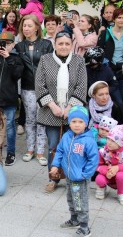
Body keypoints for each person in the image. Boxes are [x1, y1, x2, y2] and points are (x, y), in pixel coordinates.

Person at [36, 32, 87, 193]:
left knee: (74, 146)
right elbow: (40, 84)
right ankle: (54, 178)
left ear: (71, 45)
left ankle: (74, 177)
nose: (63, 46)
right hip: (52, 112)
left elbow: (81, 86)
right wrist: (52, 106)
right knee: (54, 147)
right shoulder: (45, 60)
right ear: (55, 44)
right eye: (60, 43)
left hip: (72, 113)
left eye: (67, 43)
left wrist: (69, 107)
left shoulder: (79, 61)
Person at [49, 106, 98, 237]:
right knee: (71, 199)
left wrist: (85, 175)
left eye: (80, 122)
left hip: (80, 178)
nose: (77, 125)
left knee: (80, 201)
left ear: (86, 123)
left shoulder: (88, 140)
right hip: (70, 176)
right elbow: (60, 151)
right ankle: (74, 219)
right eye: (74, 121)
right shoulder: (66, 136)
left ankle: (84, 227)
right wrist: (55, 165)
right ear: (69, 122)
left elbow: (93, 160)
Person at [16, 15, 54, 166]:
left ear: (37, 27)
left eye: (29, 26)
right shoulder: (19, 46)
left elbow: (51, 66)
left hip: (44, 88)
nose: (26, 29)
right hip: (27, 87)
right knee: (30, 120)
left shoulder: (46, 45)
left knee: (42, 120)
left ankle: (40, 151)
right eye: (24, 26)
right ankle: (30, 149)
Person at [0, 31, 24, 166]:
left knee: (10, 126)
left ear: (13, 44)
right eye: (2, 43)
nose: (5, 46)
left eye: (8, 43)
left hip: (9, 98)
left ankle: (11, 153)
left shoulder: (17, 58)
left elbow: (17, 74)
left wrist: (8, 58)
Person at [97, 8, 123, 109]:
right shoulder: (105, 33)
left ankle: (118, 122)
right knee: (116, 99)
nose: (122, 20)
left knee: (121, 98)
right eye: (119, 18)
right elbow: (99, 51)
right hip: (109, 69)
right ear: (114, 19)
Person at [95, 124, 123, 206]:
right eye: (108, 139)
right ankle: (102, 187)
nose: (109, 143)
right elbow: (98, 165)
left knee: (121, 176)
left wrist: (118, 167)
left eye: (113, 141)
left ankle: (121, 193)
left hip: (120, 175)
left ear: (121, 143)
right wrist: (106, 171)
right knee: (99, 179)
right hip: (107, 174)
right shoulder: (103, 151)